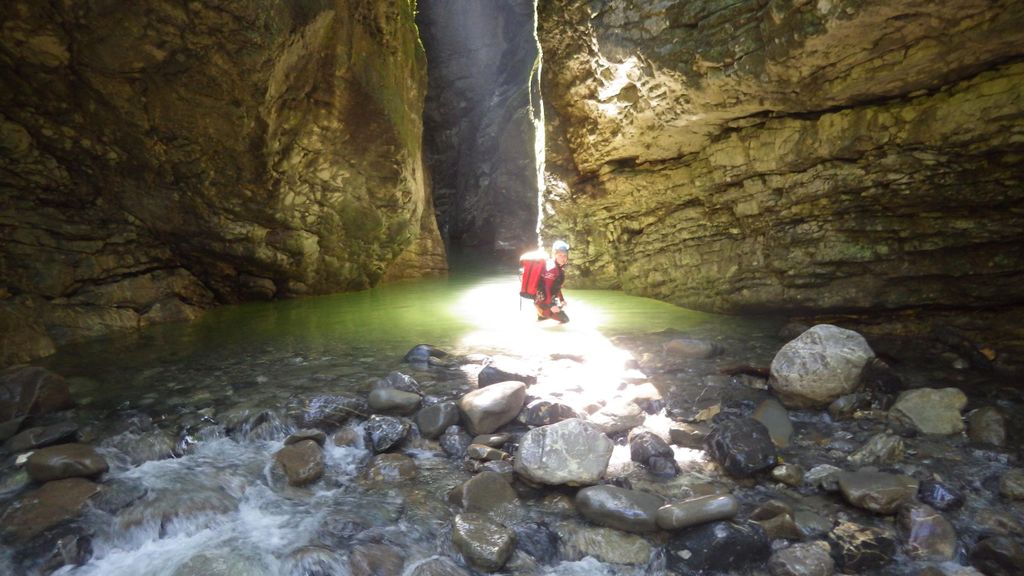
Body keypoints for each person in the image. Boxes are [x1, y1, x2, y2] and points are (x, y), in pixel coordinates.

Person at [534, 240, 570, 323]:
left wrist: (561, 300)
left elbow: (556, 287)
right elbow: (546, 287)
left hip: (544, 301)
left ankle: (542, 315)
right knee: (565, 320)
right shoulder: (552, 268)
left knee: (544, 319)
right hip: (543, 302)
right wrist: (551, 305)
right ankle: (542, 313)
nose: (563, 258)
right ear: (555, 255)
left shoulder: (559, 268)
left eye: (565, 255)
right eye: (560, 255)